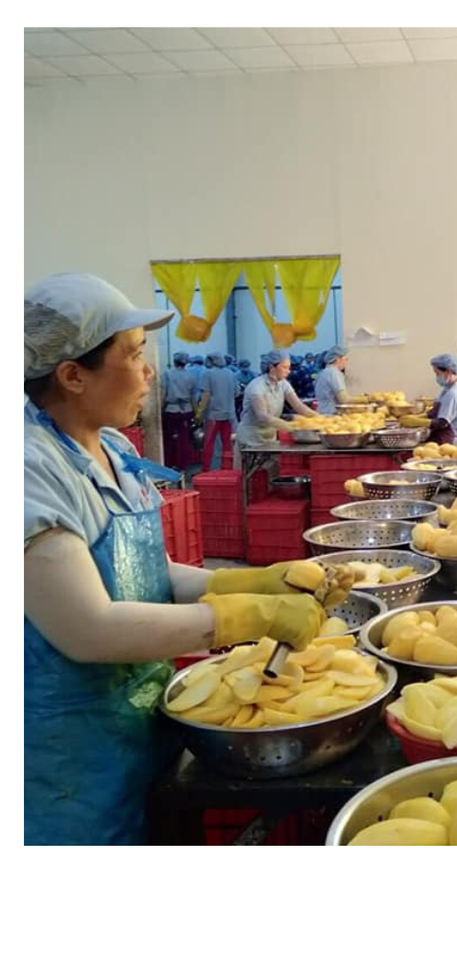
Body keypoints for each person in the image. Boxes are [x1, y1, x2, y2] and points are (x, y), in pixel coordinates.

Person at [24, 273, 332, 844]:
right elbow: (88, 629)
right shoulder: (29, 470)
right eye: (134, 353)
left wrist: (254, 583)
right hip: (70, 756)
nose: (149, 372)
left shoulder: (113, 447)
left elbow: (149, 574)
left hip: (144, 716)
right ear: (72, 375)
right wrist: (249, 617)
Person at [236, 349, 317, 447]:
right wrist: (290, 426)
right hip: (251, 439)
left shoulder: (283, 384)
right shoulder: (257, 386)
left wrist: (320, 418)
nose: (288, 371)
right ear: (272, 367)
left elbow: (299, 406)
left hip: (270, 438)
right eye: (284, 367)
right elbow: (262, 416)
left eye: (289, 368)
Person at [197, 352, 239, 471]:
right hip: (229, 414)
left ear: (211, 361)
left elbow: (206, 395)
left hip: (213, 415)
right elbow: (237, 392)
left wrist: (199, 413)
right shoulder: (231, 373)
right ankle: (228, 468)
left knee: (209, 443)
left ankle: (206, 469)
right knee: (228, 444)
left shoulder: (207, 374)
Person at [159, 351, 195, 471]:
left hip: (171, 410)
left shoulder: (167, 374)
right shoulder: (190, 376)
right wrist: (195, 412)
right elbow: (193, 397)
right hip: (186, 411)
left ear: (174, 362)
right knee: (184, 439)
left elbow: (163, 394)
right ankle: (182, 465)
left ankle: (169, 463)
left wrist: (160, 410)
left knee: (169, 439)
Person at [426, 353, 457, 448]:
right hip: (445, 440)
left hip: (453, 443)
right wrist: (424, 415)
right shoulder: (447, 389)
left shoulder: (454, 393)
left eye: (438, 374)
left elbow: (443, 422)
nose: (437, 377)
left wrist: (419, 422)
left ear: (449, 372)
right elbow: (438, 411)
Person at [314, 345, 351, 414]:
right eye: (345, 359)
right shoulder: (334, 373)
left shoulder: (323, 372)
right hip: (331, 412)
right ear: (337, 359)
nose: (346, 362)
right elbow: (344, 399)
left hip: (322, 411)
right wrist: (366, 399)